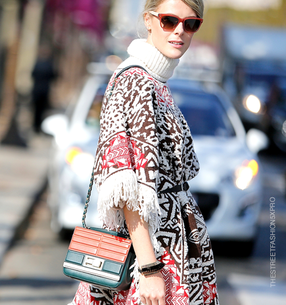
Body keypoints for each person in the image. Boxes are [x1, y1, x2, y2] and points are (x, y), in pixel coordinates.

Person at [70, 1, 219, 305]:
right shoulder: (135, 81)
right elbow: (127, 186)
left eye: (191, 24)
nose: (180, 30)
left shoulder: (156, 82)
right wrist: (149, 266)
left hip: (174, 246)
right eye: (169, 20)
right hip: (153, 251)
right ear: (149, 20)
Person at [31, 44, 57, 133]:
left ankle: (35, 126)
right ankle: (38, 127)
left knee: (36, 109)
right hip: (44, 91)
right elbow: (53, 76)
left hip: (37, 90)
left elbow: (32, 74)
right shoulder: (49, 64)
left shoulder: (38, 63)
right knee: (41, 110)